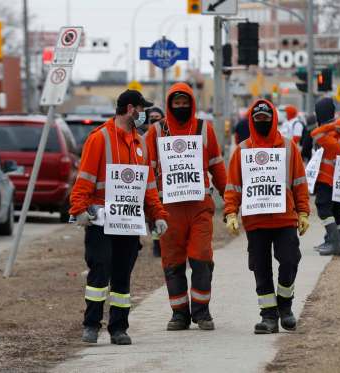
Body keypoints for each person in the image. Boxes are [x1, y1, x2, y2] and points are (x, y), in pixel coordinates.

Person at [70, 90, 169, 345]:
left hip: (128, 222)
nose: (144, 114)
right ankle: (91, 325)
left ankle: (118, 328)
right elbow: (85, 178)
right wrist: (78, 209)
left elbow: (148, 186)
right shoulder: (99, 138)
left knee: (122, 274)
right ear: (130, 109)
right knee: (99, 272)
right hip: (101, 220)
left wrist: (157, 214)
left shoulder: (140, 144)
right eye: (141, 109)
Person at [145, 82, 227, 331]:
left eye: (185, 103)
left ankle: (202, 312)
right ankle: (179, 314)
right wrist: (148, 208)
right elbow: (146, 171)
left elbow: (217, 167)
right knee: (172, 262)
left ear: (192, 104)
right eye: (176, 104)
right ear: (170, 105)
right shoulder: (156, 132)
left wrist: (232, 201)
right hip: (168, 209)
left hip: (199, 206)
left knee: (202, 256)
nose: (181, 107)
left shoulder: (204, 129)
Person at [224, 99, 310, 334]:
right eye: (258, 119)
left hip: (285, 218)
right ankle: (269, 316)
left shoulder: (289, 147)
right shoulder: (242, 150)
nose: (262, 122)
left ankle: (285, 305)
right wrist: (231, 212)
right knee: (260, 268)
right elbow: (233, 186)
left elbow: (300, 183)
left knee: (290, 260)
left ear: (273, 119)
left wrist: (303, 211)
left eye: (266, 118)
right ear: (252, 121)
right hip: (256, 221)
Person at [310, 98, 340, 256]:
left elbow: (314, 134)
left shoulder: (331, 140)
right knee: (338, 212)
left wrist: (330, 126)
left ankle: (334, 243)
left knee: (323, 209)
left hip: (326, 180)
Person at [145, 106, 165, 257]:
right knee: (151, 217)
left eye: (157, 118)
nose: (154, 121)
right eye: (151, 118)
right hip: (149, 184)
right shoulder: (142, 138)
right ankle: (157, 244)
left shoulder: (167, 137)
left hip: (164, 185)